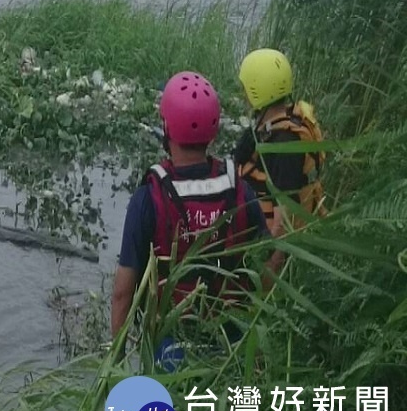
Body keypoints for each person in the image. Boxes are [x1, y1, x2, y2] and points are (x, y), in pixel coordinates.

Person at [110, 72, 285, 364]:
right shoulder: (239, 189)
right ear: (214, 130)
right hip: (232, 342)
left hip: (170, 344)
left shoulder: (149, 197)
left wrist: (113, 368)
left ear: (166, 128)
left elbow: (122, 293)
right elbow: (270, 262)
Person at [232, 48, 326, 226]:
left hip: (277, 241)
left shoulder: (284, 144)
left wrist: (273, 254)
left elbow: (283, 217)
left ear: (255, 90)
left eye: (245, 88)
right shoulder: (277, 125)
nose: (243, 94)